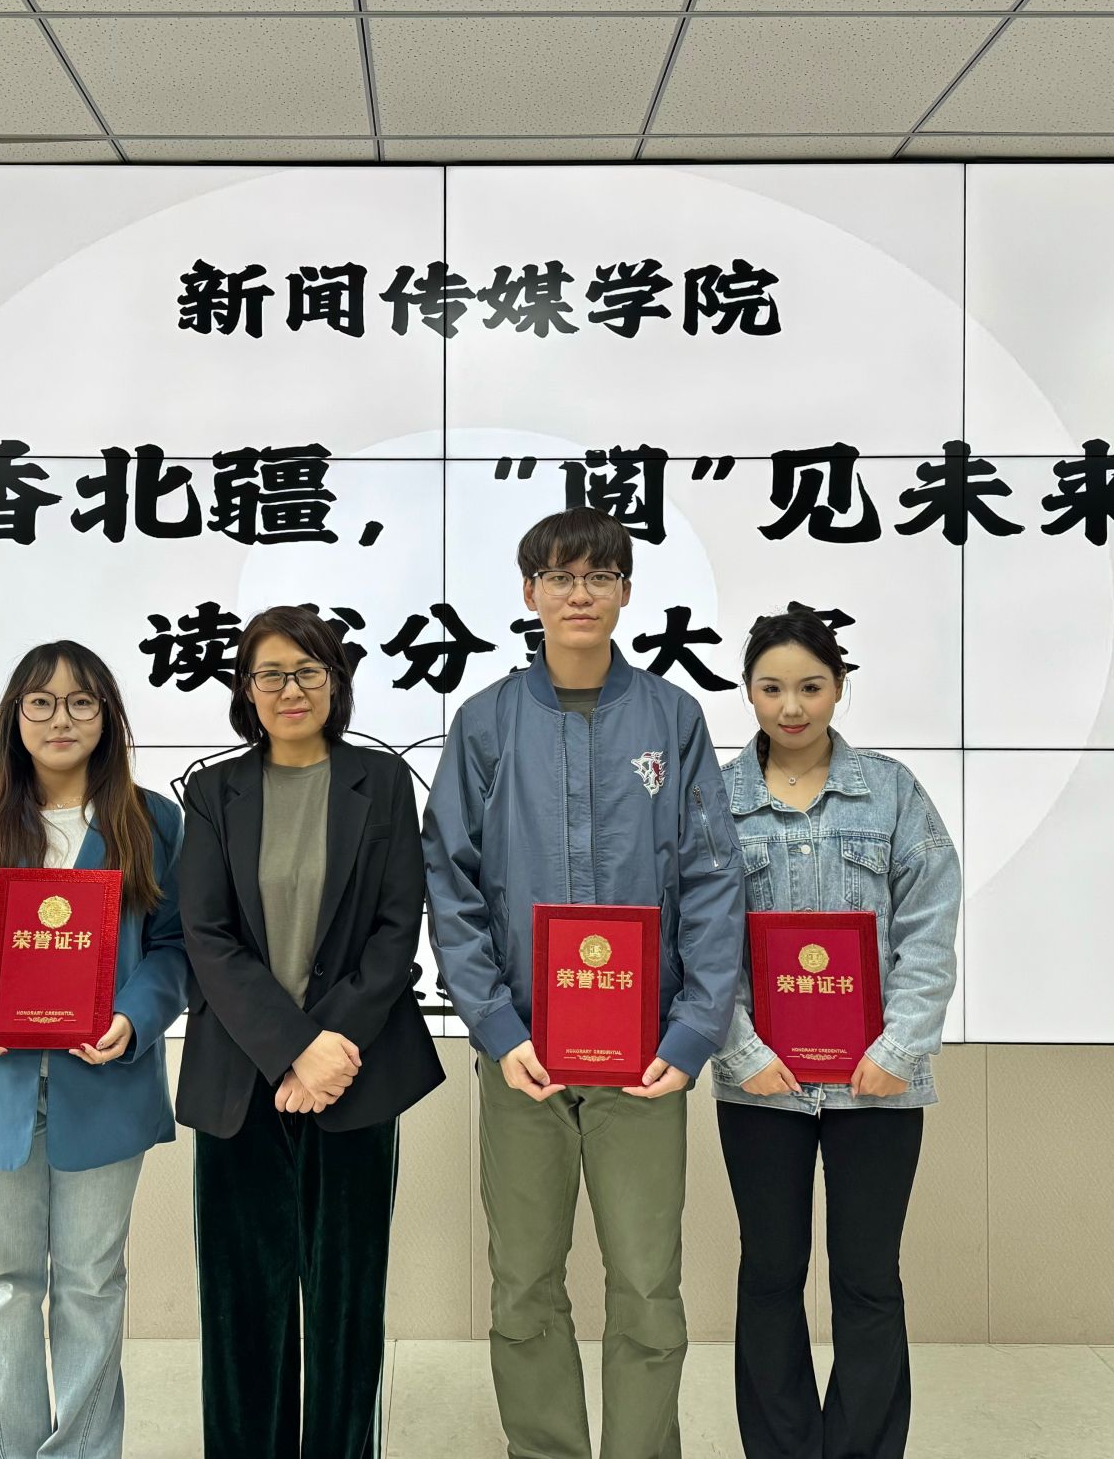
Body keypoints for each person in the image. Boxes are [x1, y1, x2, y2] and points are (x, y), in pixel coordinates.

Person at [423, 507, 743, 1459]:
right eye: (560, 577)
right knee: (524, 1284)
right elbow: (451, 880)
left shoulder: (672, 720)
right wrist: (495, 1026)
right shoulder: (486, 723)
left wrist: (692, 1032)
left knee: (647, 1285)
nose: (579, 594)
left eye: (599, 576)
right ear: (529, 593)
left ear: (625, 593)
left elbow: (713, 876)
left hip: (646, 1061)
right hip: (523, 1056)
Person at [0, 640, 189, 1459]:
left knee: (92, 1285)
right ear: (16, 716)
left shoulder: (152, 820)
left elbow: (174, 947)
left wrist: (134, 1017)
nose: (60, 718)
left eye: (80, 701)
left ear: (107, 717)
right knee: (3, 1284)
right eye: (41, 701)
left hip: (105, 1085)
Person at [177, 604, 444, 1459]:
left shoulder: (383, 781)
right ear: (245, 690)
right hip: (241, 1075)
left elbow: (397, 929)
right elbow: (206, 935)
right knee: (241, 1304)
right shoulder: (213, 793)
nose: (289, 689)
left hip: (356, 1072)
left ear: (335, 680)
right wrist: (295, 1047)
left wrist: (331, 1049)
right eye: (270, 674)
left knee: (344, 1303)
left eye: (307, 671)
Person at [711, 604, 960, 1459]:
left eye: (811, 687)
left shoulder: (891, 791)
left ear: (840, 687)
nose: (792, 706)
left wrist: (900, 1047)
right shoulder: (715, 800)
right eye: (772, 687)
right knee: (770, 1274)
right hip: (761, 1083)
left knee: (867, 1277)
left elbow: (930, 926)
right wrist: (741, 1049)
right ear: (748, 691)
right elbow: (699, 939)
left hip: (876, 1083)